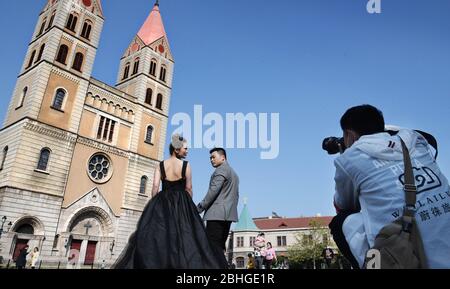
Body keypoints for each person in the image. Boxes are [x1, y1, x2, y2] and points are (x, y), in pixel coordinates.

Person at [329, 104, 450, 269]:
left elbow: (343, 205)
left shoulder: (349, 159)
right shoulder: (416, 140)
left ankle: (372, 266)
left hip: (403, 257)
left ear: (349, 135)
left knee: (339, 222)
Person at [113, 134, 227, 269]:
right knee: (184, 238)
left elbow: (155, 187)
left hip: (162, 202)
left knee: (160, 238)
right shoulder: (186, 165)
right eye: (185, 148)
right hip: (182, 202)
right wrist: (187, 207)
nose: (187, 151)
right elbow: (189, 188)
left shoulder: (160, 165)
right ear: (177, 149)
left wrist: (153, 206)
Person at [197, 148, 239, 264]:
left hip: (216, 215)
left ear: (223, 157)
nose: (211, 160)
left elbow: (212, 192)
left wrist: (198, 208)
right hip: (228, 216)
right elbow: (236, 196)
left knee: (212, 248)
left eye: (213, 157)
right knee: (219, 248)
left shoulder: (220, 171)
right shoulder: (234, 173)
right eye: (210, 158)